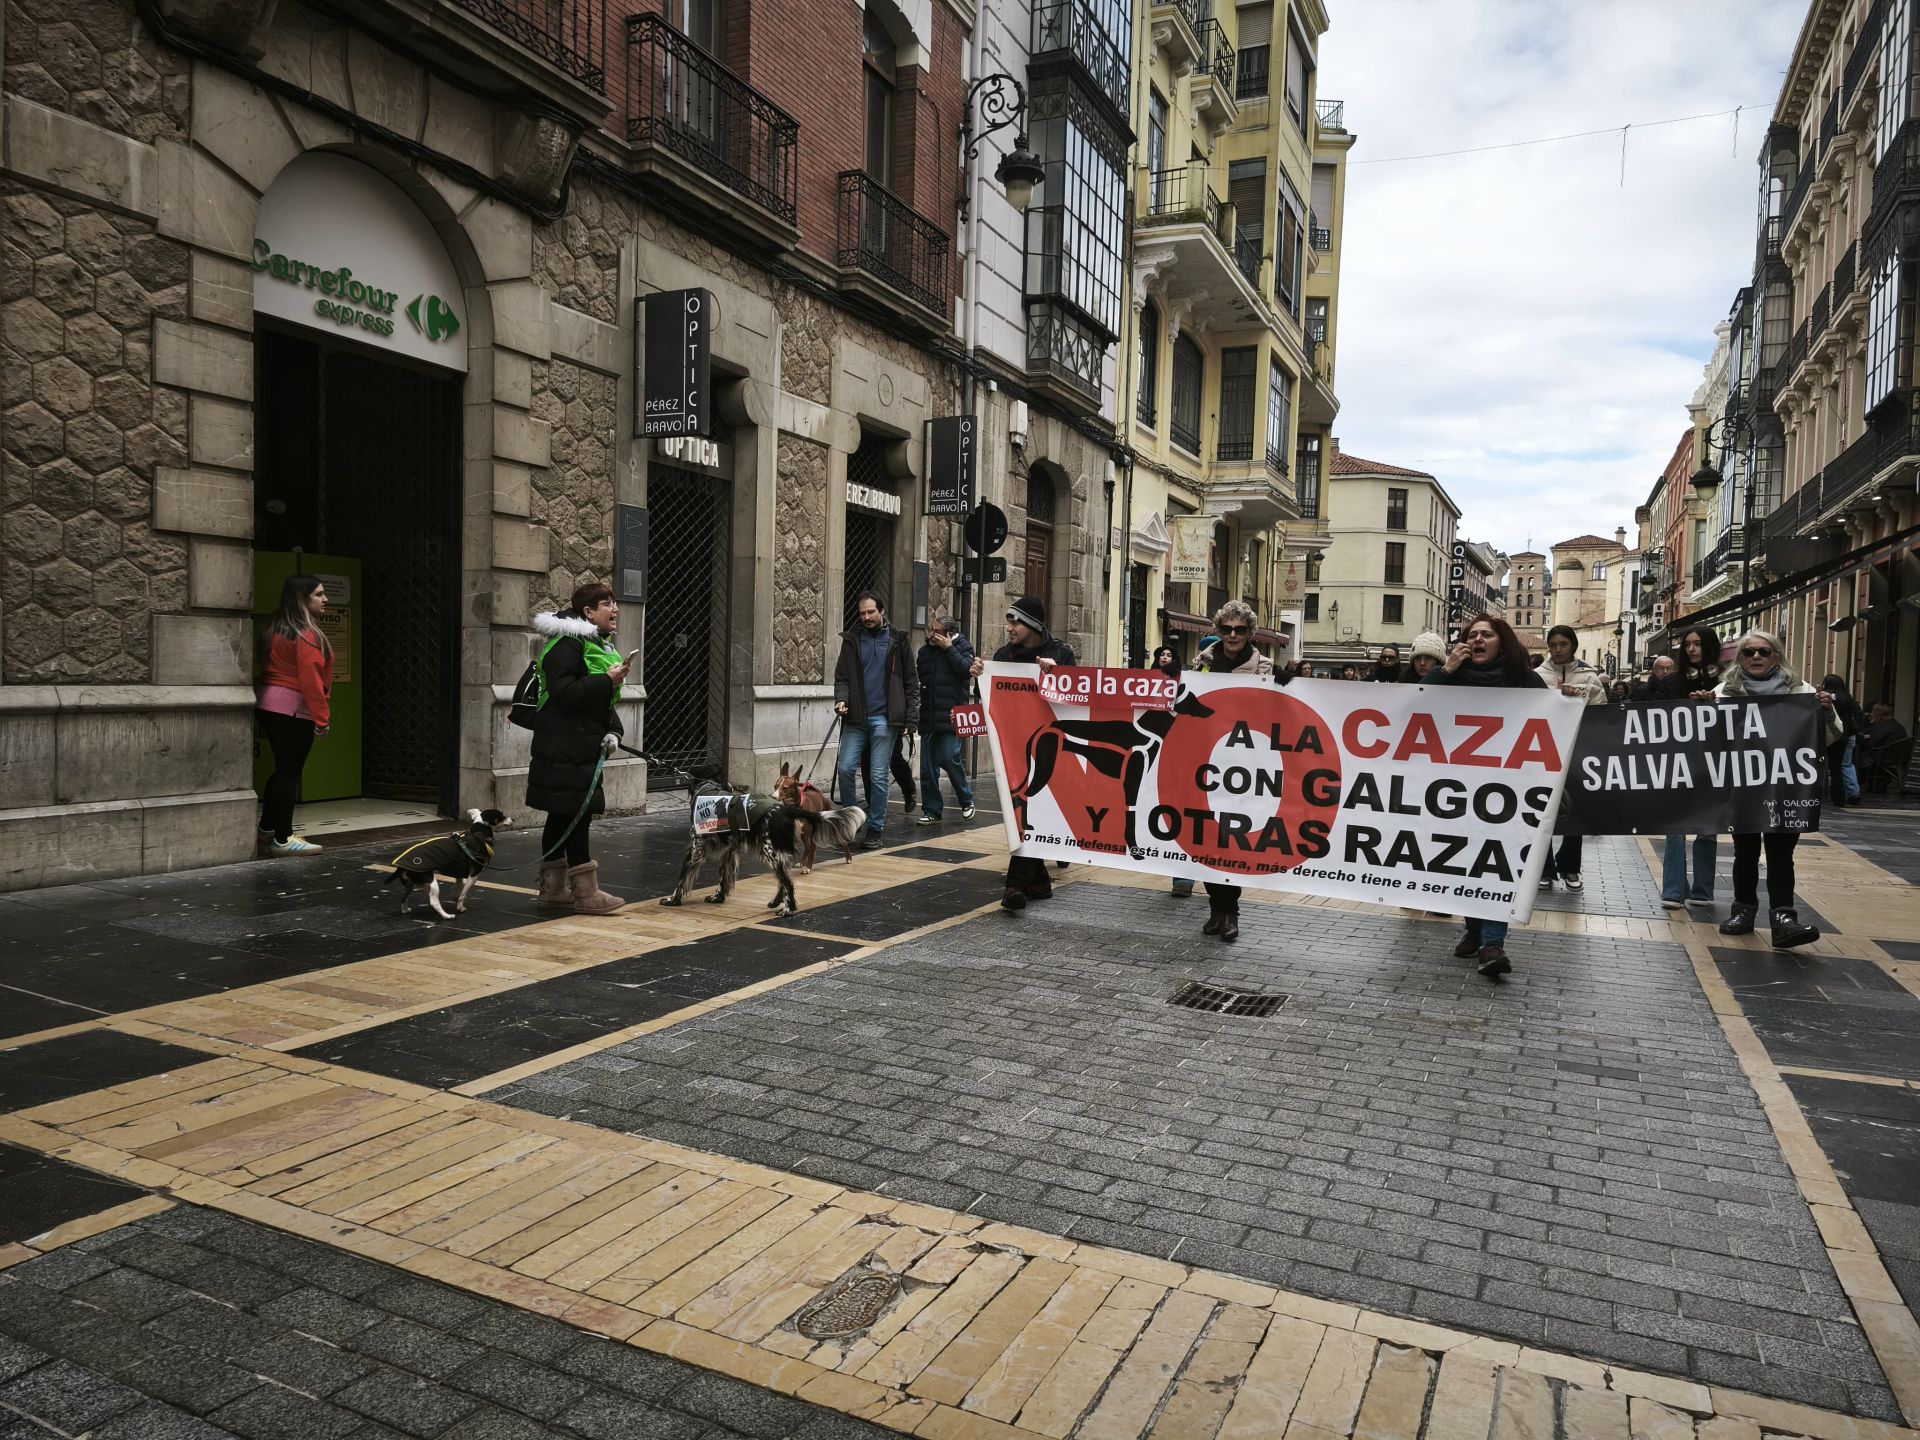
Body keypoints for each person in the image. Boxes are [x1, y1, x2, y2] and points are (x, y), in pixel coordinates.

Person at [1704, 630, 1841, 947]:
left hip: (1786, 787)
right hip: (1744, 787)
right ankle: (1743, 911)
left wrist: (1827, 712)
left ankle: (1783, 918)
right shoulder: (1724, 692)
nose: (1755, 657)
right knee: (1745, 851)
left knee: (1781, 853)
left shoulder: (1802, 690)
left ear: (1776, 656)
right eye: (1748, 652)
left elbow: (1830, 737)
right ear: (1739, 657)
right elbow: (1706, 740)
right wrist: (1704, 710)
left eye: (1763, 652)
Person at [1428, 613, 1547, 978]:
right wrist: (1446, 670)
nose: (1478, 639)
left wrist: (1568, 701)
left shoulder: (1524, 681)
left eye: (1486, 635)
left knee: (1495, 862)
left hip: (1506, 792)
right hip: (1456, 789)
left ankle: (1493, 943)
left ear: (1501, 642)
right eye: (1472, 634)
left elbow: (1553, 722)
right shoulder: (1453, 676)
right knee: (1466, 860)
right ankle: (1475, 929)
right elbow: (1414, 703)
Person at [527, 582, 628, 913]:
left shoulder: (591, 643)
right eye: (606, 604)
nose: (614, 609)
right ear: (588, 612)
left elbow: (596, 703)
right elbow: (563, 693)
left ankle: (553, 890)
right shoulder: (567, 645)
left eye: (614, 603)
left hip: (577, 746)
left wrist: (613, 730)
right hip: (564, 748)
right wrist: (607, 681)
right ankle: (586, 894)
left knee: (563, 814)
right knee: (576, 815)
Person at [970, 596, 1075, 911]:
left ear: (1033, 625)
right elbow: (991, 698)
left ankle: (1014, 885)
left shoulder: (1061, 654)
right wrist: (979, 677)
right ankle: (1039, 882)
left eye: (1015, 621)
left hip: (1048, 748)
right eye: (1009, 621)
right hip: (1012, 749)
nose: (1009, 627)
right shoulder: (1004, 655)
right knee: (1023, 816)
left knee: (1032, 813)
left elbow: (1076, 699)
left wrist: (1057, 675)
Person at [1185, 600, 1276, 941]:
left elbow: (1270, 713)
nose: (1233, 635)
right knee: (1207, 837)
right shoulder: (1203, 662)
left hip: (1243, 767)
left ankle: (1232, 911)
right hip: (1206, 762)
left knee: (1231, 841)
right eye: (1226, 629)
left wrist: (1286, 685)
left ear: (1250, 633)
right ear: (1218, 631)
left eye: (1240, 630)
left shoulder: (1263, 666)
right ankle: (1215, 909)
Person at [833, 592, 918, 850]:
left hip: (885, 719)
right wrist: (841, 699)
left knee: (878, 775)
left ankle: (875, 829)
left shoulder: (898, 640)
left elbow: (911, 683)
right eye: (862, 613)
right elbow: (842, 677)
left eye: (870, 612)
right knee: (846, 768)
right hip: (856, 718)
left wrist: (910, 718)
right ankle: (851, 821)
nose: (866, 617)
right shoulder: (851, 640)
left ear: (881, 610)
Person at [256, 574, 334, 854]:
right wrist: (322, 719)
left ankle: (267, 827)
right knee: (290, 773)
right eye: (319, 594)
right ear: (303, 598)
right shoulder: (307, 634)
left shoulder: (275, 626)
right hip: (292, 709)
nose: (325, 599)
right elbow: (311, 680)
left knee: (282, 769)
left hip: (268, 704)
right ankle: (283, 838)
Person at [1630, 657, 1717, 908]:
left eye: (1669, 668)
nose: (1665, 672)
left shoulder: (1719, 685)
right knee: (1676, 829)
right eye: (1661, 668)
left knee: (1707, 829)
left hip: (1707, 765)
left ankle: (1702, 890)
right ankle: (1674, 890)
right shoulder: (1650, 691)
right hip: (1672, 764)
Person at [1534, 625, 1606, 890]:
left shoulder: (1589, 676)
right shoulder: (1537, 675)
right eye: (1553, 645)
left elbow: (1602, 712)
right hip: (1545, 753)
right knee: (1542, 812)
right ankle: (1544, 868)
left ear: (1572, 645)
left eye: (1563, 644)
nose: (1557, 650)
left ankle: (1570, 868)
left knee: (1576, 813)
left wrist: (1579, 698)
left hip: (1579, 752)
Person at [916, 614, 977, 825]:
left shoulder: (964, 648)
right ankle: (932, 810)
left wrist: (949, 649)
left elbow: (966, 672)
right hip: (929, 715)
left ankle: (966, 799)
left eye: (938, 632)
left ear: (950, 634)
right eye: (932, 630)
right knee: (927, 767)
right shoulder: (924, 652)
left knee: (949, 756)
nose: (933, 635)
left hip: (952, 715)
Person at [1821, 674, 1865, 807]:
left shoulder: (1828, 699)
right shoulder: (1848, 699)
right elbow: (1859, 715)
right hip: (1848, 736)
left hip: (1832, 736)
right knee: (1843, 765)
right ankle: (1848, 794)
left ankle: (1829, 795)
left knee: (1827, 766)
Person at [1671, 625, 1723, 698]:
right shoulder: (1672, 682)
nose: (1691, 649)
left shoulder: (1727, 680)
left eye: (1697, 644)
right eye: (1687, 644)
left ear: (1710, 646)